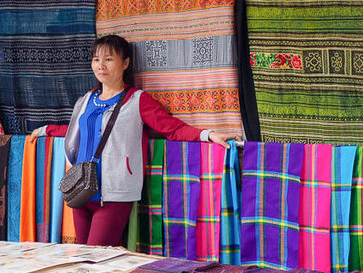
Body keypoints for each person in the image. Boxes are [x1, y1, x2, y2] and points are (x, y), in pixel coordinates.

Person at [30, 34, 235, 246]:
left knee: (96, 257)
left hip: (114, 194)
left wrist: (207, 134)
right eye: (96, 59)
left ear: (126, 63)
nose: (101, 65)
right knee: (83, 257)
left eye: (109, 59)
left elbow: (171, 128)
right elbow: (77, 130)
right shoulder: (86, 99)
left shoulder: (137, 100)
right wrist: (46, 130)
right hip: (80, 190)